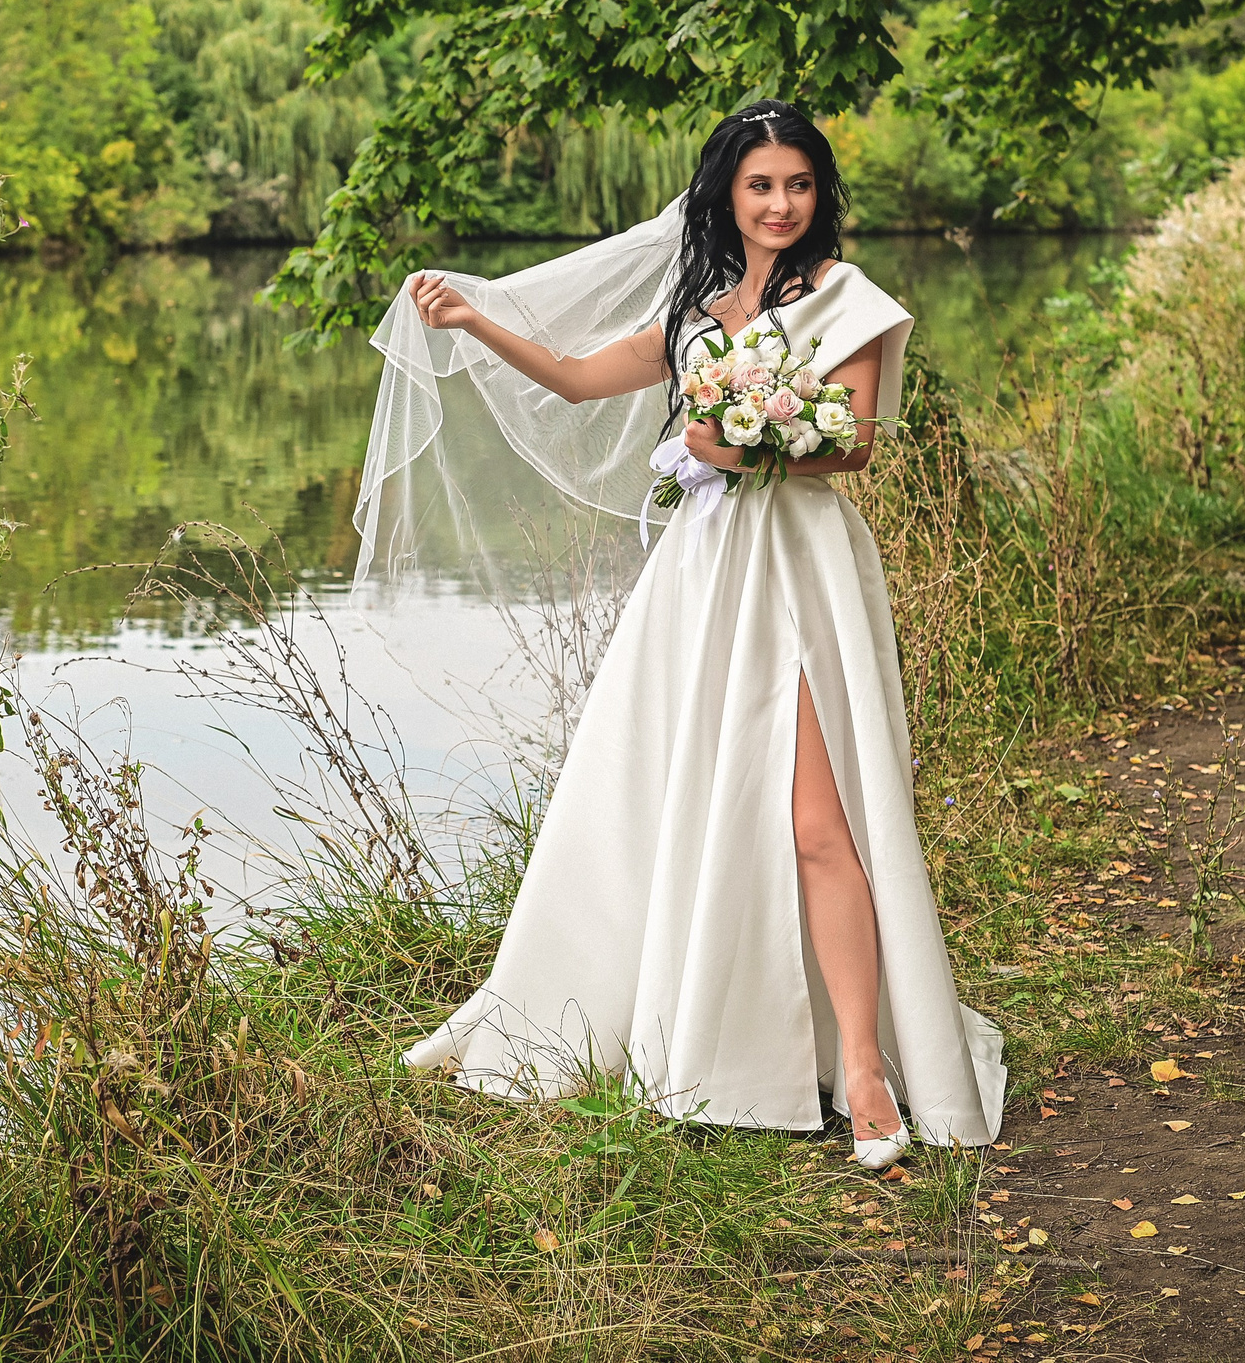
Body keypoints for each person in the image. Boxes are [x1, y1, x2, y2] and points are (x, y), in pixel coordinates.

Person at [355, 99, 1006, 1168]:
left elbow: (853, 450)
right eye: (760, 186)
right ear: (726, 194)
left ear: (819, 192)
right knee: (682, 798)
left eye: (798, 184)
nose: (781, 203)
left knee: (816, 817)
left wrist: (745, 442)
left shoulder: (851, 302)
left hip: (803, 569)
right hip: (704, 576)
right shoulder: (698, 314)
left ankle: (864, 1064)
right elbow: (572, 380)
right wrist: (474, 320)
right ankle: (713, 1034)